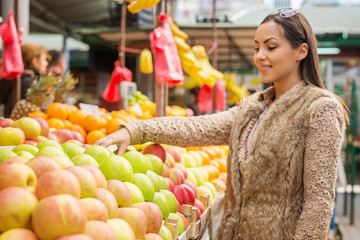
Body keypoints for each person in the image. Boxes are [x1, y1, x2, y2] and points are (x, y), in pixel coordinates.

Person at [95, 8, 348, 240]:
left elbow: (319, 203)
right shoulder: (252, 108)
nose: (260, 56)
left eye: (271, 47)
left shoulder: (320, 108)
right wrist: (135, 130)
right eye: (256, 47)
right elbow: (196, 129)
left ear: (301, 51)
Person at [0, 43, 49, 117]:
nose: (46, 63)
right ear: (35, 61)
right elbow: (11, 109)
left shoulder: (15, 77)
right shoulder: (28, 81)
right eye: (44, 59)